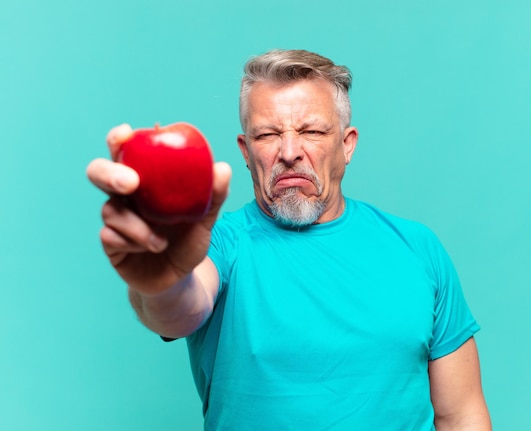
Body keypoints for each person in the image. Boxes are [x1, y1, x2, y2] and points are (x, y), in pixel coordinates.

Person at [87, 49, 491, 431]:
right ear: (245, 151)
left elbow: (462, 416)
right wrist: (160, 279)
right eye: (267, 135)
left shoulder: (418, 248)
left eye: (312, 130)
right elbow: (178, 308)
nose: (290, 151)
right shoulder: (221, 245)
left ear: (347, 145)